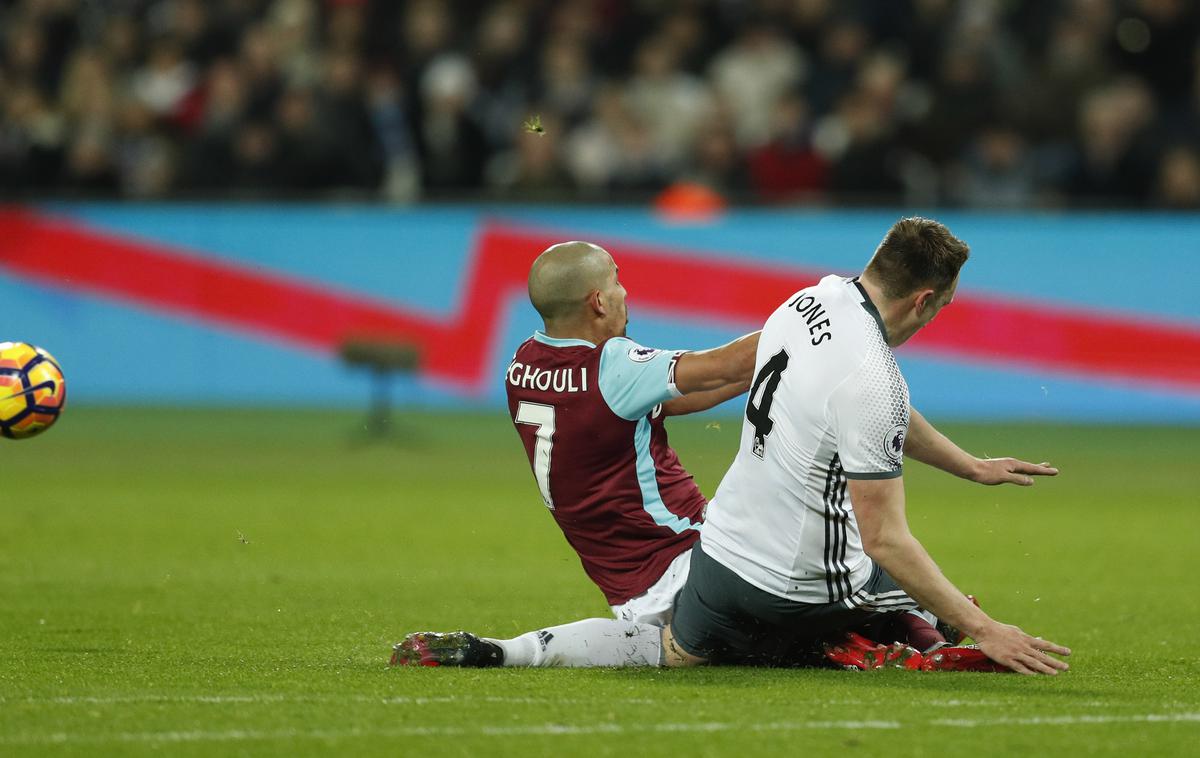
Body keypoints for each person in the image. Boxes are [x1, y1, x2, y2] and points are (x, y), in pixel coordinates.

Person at [660, 217, 1072, 675]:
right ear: (924, 301)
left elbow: (870, 413)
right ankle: (874, 644)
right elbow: (884, 540)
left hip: (717, 561)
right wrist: (987, 628)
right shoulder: (873, 378)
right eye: (945, 305)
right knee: (934, 602)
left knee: (677, 654)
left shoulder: (809, 299)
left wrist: (971, 467)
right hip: (791, 585)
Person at [391, 240, 760, 667]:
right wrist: (803, 330)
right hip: (693, 558)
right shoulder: (611, 365)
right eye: (617, 280)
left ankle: (510, 652)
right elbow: (722, 365)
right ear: (598, 301)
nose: (625, 291)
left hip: (633, 594)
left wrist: (773, 368)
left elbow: (680, 396)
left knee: (681, 646)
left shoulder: (523, 363)